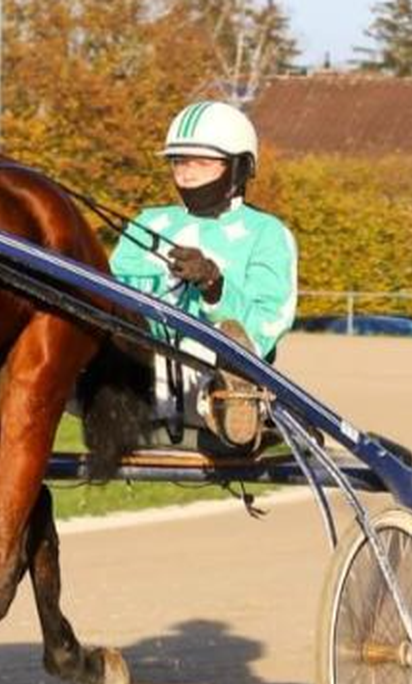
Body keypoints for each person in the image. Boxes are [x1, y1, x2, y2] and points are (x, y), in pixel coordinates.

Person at [110, 100, 298, 451]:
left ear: (239, 168)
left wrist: (214, 286)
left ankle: (235, 404)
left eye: (203, 163)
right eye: (180, 162)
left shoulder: (267, 234)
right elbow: (115, 293)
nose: (187, 174)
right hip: (136, 367)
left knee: (220, 344)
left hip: (209, 372)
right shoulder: (148, 222)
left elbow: (267, 324)